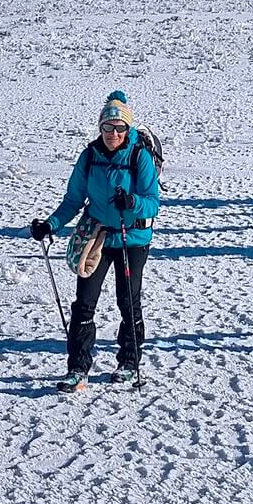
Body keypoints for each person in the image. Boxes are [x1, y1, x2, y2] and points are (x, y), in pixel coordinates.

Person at [29, 93, 162, 390]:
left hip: (133, 238)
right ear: (99, 128)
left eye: (119, 128)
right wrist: (50, 225)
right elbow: (73, 200)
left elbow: (153, 202)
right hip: (97, 237)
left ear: (128, 130)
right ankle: (77, 368)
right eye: (108, 128)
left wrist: (132, 202)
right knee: (84, 303)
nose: (113, 134)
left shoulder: (139, 157)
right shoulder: (89, 156)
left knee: (128, 302)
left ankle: (129, 362)